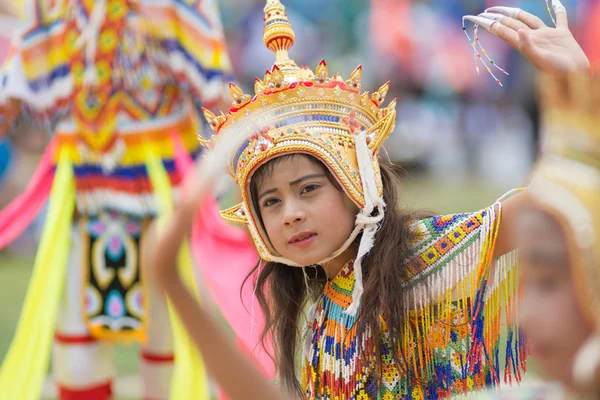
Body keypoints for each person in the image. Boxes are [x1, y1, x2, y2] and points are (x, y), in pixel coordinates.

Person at [150, 0, 590, 398]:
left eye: (308, 189)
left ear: (355, 184)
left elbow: (549, 206)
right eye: (271, 202)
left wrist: (580, 88)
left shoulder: (416, 259)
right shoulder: (320, 311)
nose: (291, 214)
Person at [0, 1, 255, 399]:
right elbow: (13, 89)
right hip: (83, 195)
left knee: (166, 344)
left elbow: (220, 91)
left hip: (162, 194)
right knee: (78, 354)